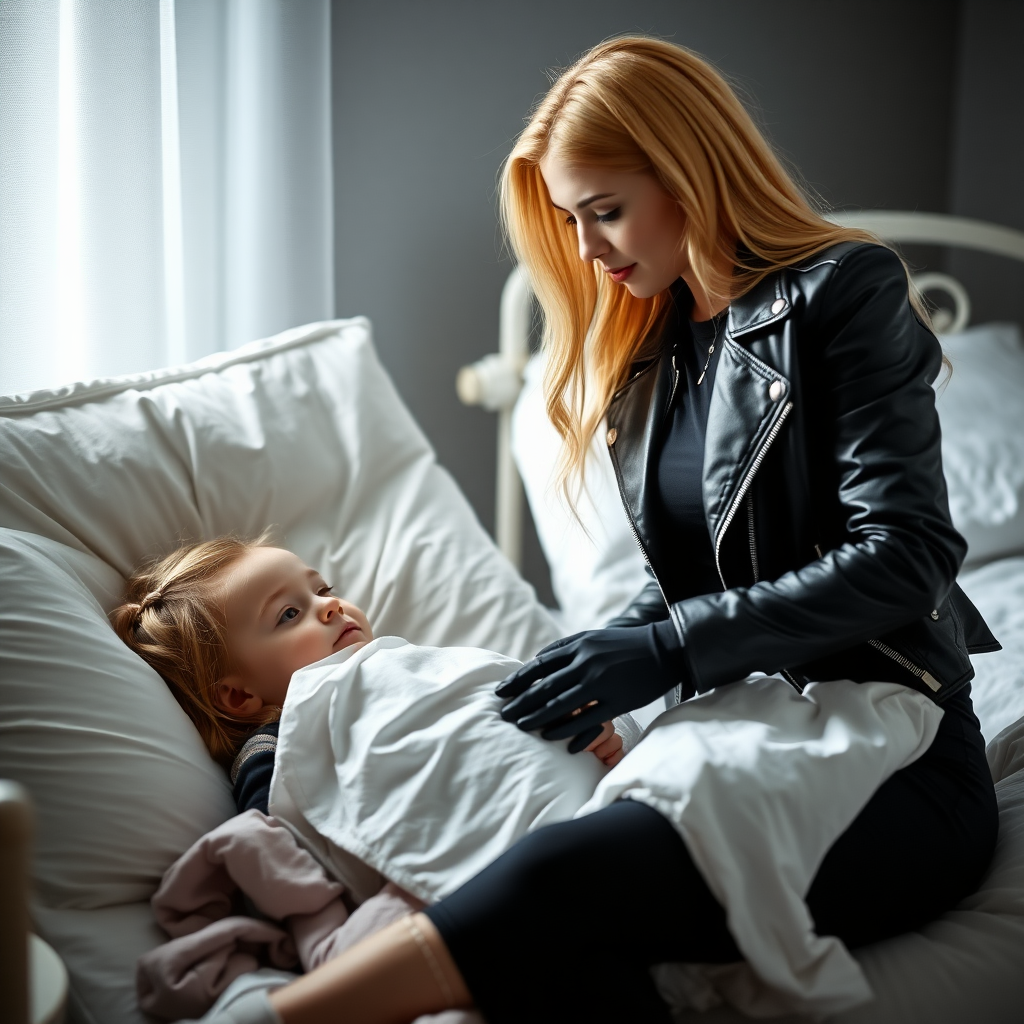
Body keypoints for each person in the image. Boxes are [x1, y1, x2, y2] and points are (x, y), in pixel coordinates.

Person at [193, 35, 1003, 1024]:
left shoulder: (843, 293)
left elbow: (904, 557)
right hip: (753, 718)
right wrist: (605, 653)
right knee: (566, 937)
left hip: (901, 753)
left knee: (563, 883)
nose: (585, 251)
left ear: (690, 176)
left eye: (604, 211)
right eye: (571, 222)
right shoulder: (651, 346)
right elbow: (701, 567)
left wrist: (664, 649)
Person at [112, 536, 625, 812]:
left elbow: (491, 706)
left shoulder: (407, 669)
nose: (331, 606)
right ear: (238, 696)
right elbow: (276, 830)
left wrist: (572, 724)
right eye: (289, 615)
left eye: (321, 589)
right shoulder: (278, 743)